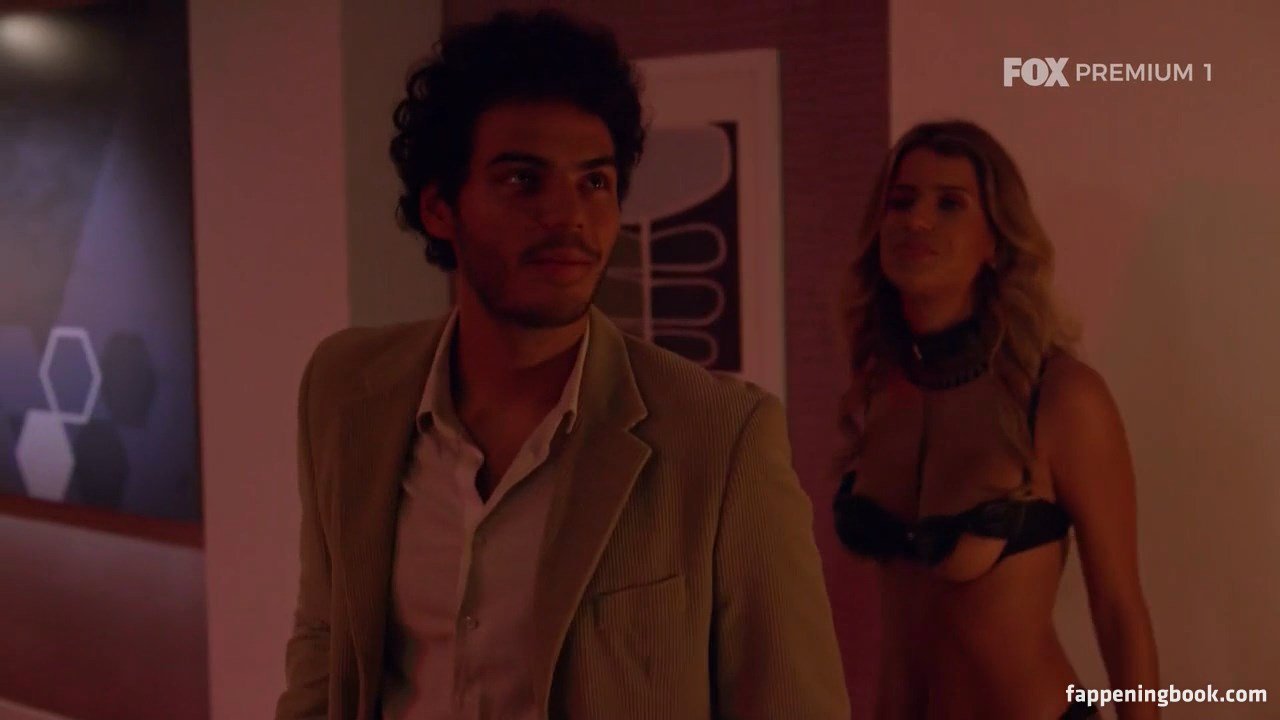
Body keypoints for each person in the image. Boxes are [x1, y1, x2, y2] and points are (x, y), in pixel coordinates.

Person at [275, 10, 849, 720]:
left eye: (594, 182)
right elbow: (325, 641)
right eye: (524, 180)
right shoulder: (346, 388)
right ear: (440, 208)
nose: (569, 215)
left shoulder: (721, 438)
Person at [832, 120, 1159, 719]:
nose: (917, 220)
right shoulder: (880, 393)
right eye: (901, 201)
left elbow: (1119, 612)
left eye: (949, 203)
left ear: (996, 243)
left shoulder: (1059, 398)